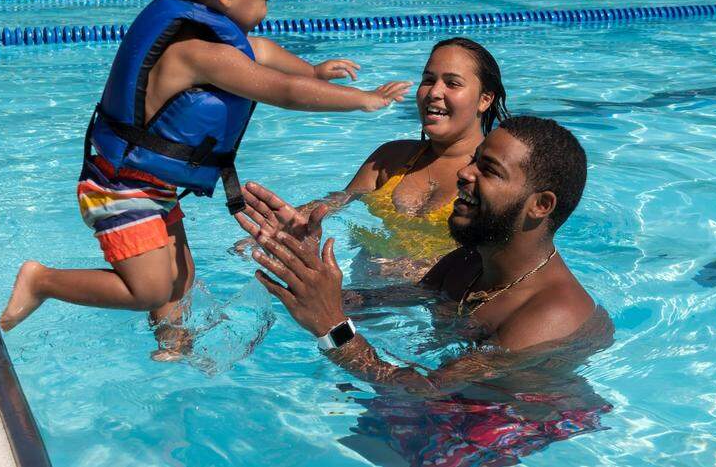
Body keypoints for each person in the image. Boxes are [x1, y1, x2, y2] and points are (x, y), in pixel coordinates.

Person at [0, 0, 412, 356]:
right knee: (150, 290)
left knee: (181, 276)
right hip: (120, 187)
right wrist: (366, 99)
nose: (268, 8)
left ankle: (172, 343)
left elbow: (266, 52)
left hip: (150, 183)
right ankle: (42, 281)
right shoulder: (198, 52)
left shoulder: (209, 33)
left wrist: (313, 68)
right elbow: (285, 92)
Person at [240, 114, 610, 372]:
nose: (465, 174)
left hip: (510, 426)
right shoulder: (466, 262)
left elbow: (427, 393)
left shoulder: (549, 317)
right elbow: (374, 303)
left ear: (541, 205)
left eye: (489, 170)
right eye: (474, 161)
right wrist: (305, 266)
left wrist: (332, 328)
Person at [239, 38, 510, 281]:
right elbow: (335, 202)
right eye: (428, 80)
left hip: (434, 310)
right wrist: (285, 228)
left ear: (485, 99)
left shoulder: (492, 176)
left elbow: (497, 259)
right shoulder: (390, 159)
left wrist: (417, 272)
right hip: (365, 295)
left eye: (452, 83)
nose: (434, 92)